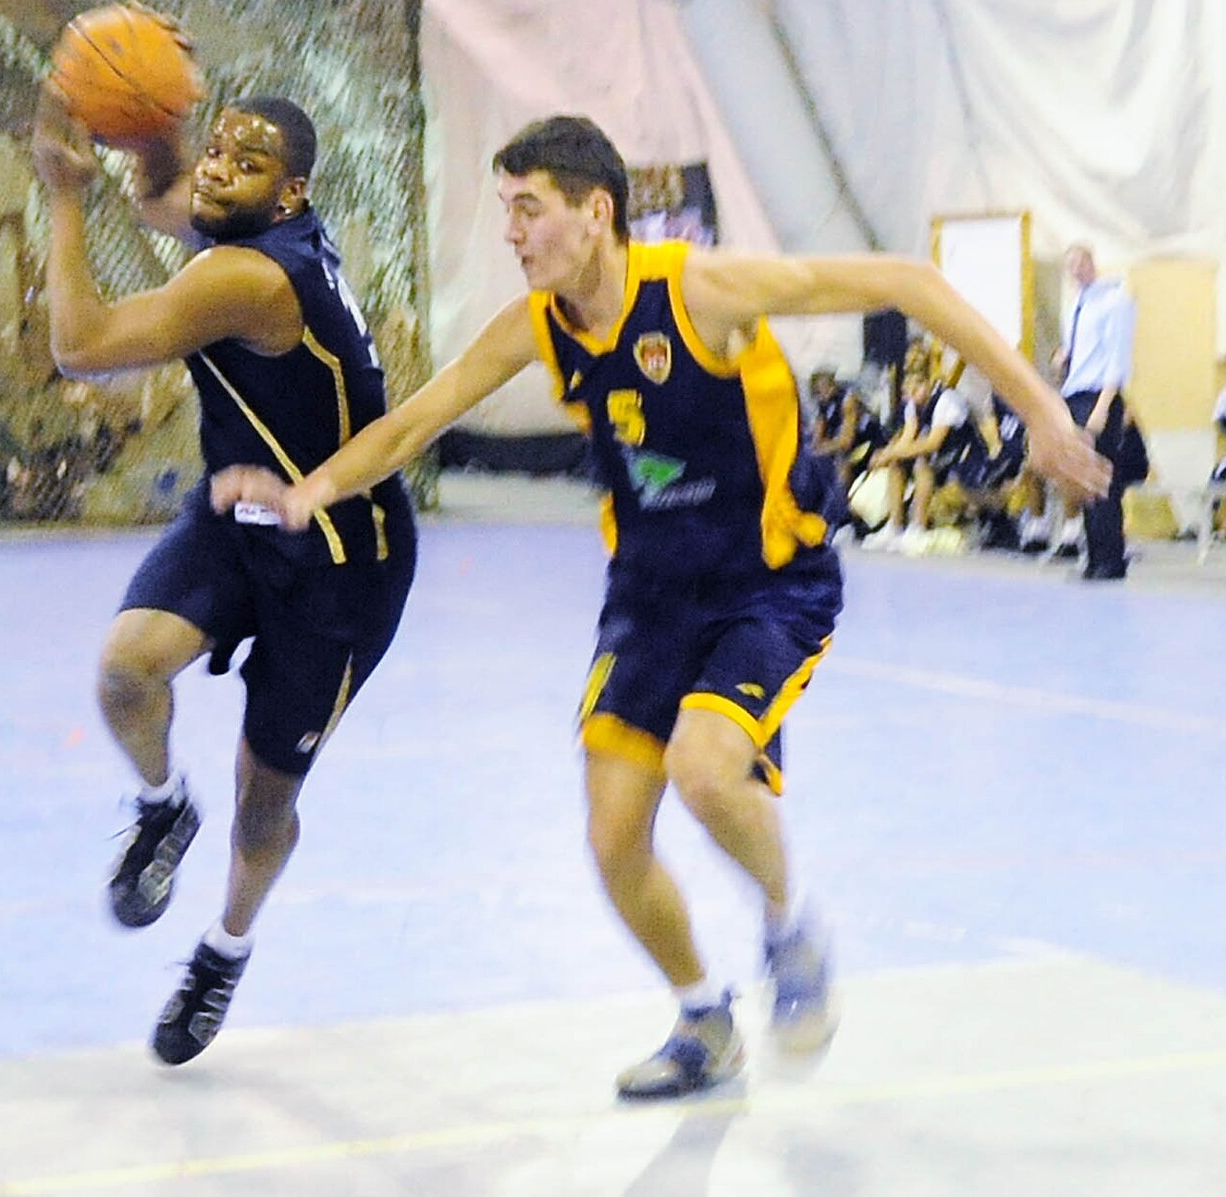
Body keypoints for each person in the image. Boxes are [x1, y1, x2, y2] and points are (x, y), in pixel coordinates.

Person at [213, 115, 1110, 1100]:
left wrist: (1037, 407)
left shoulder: (698, 289)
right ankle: (701, 1016)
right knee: (610, 836)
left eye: (527, 210)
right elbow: (413, 423)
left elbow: (909, 282)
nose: (509, 234)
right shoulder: (536, 328)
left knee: (704, 766)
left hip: (766, 584)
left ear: (593, 213)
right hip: (645, 596)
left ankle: (788, 925)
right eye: (503, 211)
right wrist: (307, 492)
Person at [31, 89, 417, 1065]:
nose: (214, 168)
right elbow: (164, 193)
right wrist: (138, 108)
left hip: (339, 559)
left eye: (242, 163)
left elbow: (79, 347)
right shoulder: (250, 229)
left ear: (288, 196)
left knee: (263, 799)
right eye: (216, 149)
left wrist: (63, 195)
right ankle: (164, 807)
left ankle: (223, 948)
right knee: (125, 671)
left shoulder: (253, 278)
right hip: (244, 510)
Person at [1052, 243, 1136, 580]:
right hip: (1075, 392)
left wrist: (1103, 405)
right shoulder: (1077, 304)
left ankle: (1112, 559)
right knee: (1084, 476)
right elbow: (1081, 350)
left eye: (1081, 263)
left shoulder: (1115, 301)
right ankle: (1093, 554)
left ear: (1092, 263)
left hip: (1098, 396)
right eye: (1070, 266)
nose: (1076, 271)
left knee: (1102, 476)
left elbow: (1117, 358)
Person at [860, 352, 980, 552]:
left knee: (922, 464)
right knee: (897, 463)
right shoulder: (912, 405)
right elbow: (908, 437)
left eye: (916, 389)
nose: (911, 396)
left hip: (962, 456)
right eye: (908, 392)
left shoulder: (946, 399)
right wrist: (888, 453)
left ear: (928, 383)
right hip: (938, 455)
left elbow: (933, 442)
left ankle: (918, 527)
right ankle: (894, 526)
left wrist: (894, 452)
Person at [806, 368, 884, 497]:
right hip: (846, 445)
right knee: (811, 460)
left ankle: (841, 504)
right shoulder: (824, 404)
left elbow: (846, 441)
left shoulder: (848, 400)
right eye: (818, 392)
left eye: (826, 386)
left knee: (843, 463)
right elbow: (817, 436)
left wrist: (822, 449)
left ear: (832, 384)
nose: (823, 392)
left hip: (868, 442)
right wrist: (815, 450)